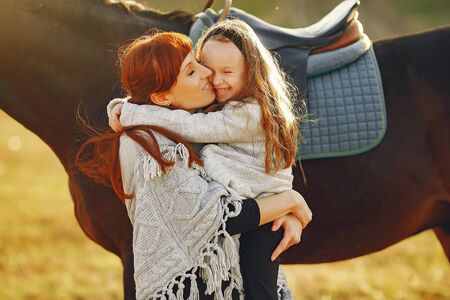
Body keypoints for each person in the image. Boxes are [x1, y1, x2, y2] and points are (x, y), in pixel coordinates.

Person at [77, 31, 311, 299]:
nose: (208, 74)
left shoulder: (221, 114)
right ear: (162, 97)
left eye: (199, 64)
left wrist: (287, 206)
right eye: (193, 70)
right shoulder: (151, 147)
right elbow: (217, 218)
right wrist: (290, 201)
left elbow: (166, 110)